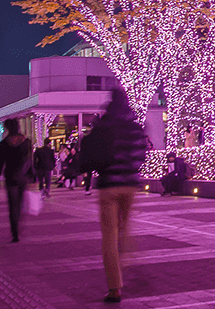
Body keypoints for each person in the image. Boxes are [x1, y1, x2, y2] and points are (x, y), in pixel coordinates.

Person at [73, 87, 148, 304]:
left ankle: (114, 288)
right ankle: (121, 263)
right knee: (123, 231)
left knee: (109, 235)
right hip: (130, 185)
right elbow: (142, 155)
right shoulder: (135, 128)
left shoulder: (103, 126)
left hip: (108, 186)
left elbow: (92, 153)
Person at [0, 118, 33, 243]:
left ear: (8, 128)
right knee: (20, 204)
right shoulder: (26, 142)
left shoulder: (3, 144)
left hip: (10, 176)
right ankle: (18, 225)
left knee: (12, 205)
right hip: (22, 177)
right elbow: (29, 160)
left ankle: (14, 232)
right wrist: (32, 175)